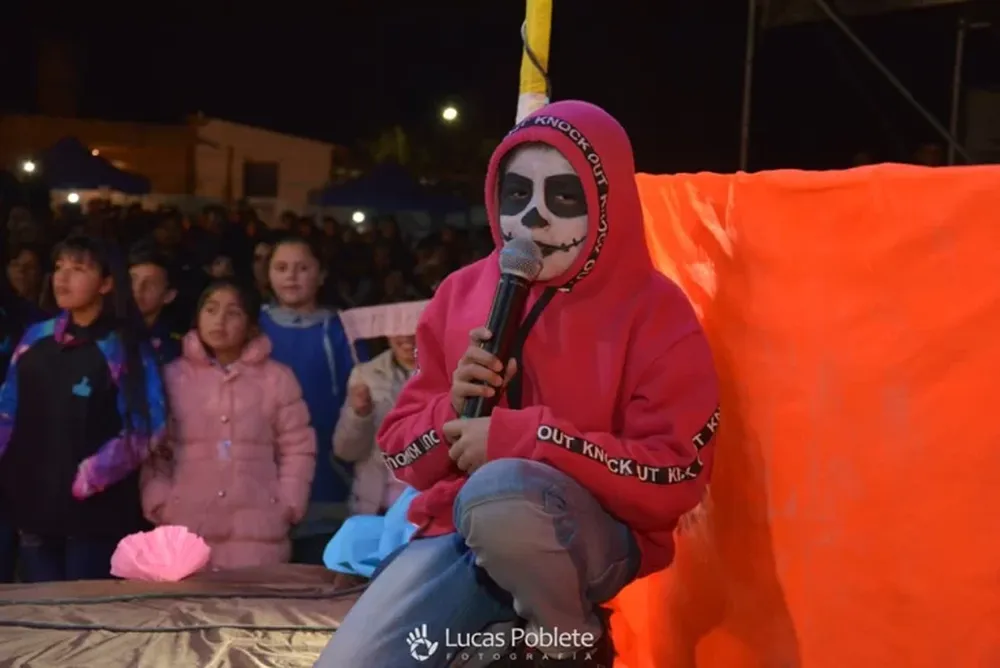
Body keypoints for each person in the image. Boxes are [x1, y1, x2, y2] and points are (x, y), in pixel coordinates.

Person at [316, 101, 720, 667]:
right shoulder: (460, 293)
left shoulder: (657, 313)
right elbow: (399, 451)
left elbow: (673, 474)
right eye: (516, 196)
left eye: (561, 197)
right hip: (455, 535)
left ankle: (567, 642)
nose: (533, 219)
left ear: (608, 204)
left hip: (592, 538)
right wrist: (450, 410)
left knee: (501, 493)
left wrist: (525, 440)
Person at [0, 235, 167, 582]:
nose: (62, 278)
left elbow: (147, 427)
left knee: (86, 619)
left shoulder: (123, 347)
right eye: (59, 267)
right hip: (31, 503)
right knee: (39, 617)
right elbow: (7, 411)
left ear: (107, 282)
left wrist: (91, 476)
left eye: (78, 269)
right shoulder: (35, 338)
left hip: (94, 514)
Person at [141, 279, 316, 569]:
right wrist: (161, 500)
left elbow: (298, 448)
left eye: (233, 313)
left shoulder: (277, 379)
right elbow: (154, 449)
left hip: (259, 531)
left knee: (255, 613)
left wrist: (288, 503)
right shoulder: (171, 378)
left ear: (250, 325)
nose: (219, 320)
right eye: (211, 310)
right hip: (184, 527)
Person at [258, 235, 365, 564]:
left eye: (303, 268)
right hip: (261, 469)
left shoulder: (343, 331)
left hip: (328, 471)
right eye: (281, 268)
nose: (291, 276)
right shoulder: (252, 326)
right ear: (268, 275)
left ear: (321, 275)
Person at [334, 332, 416, 516]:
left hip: (430, 507)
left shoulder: (448, 370)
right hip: (377, 507)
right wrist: (359, 415)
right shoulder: (365, 374)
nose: (408, 338)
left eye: (414, 326)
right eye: (398, 327)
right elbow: (345, 452)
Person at [128, 243, 182, 364]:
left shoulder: (174, 348)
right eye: (132, 280)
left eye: (150, 284)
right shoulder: (103, 333)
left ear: (169, 295)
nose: (137, 289)